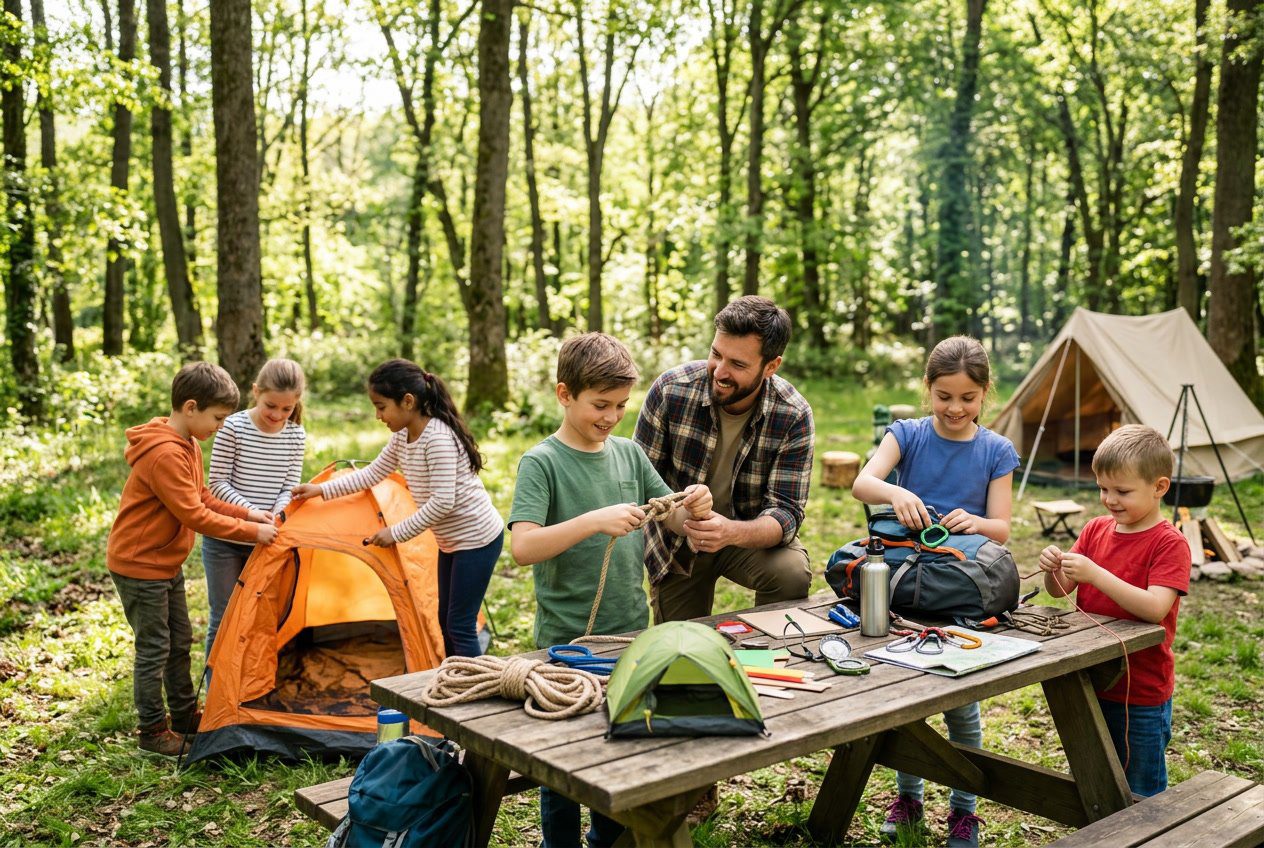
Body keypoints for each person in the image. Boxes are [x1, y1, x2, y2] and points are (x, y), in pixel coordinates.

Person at [508, 332, 711, 848]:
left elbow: (675, 519)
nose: (610, 416)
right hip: (566, 641)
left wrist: (696, 505)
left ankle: (609, 840)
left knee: (619, 751)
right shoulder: (542, 462)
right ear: (564, 394)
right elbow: (524, 548)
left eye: (621, 405)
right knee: (561, 762)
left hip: (628, 632)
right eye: (600, 405)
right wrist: (592, 521)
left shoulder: (629, 453)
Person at [851, 335, 1020, 848]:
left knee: (960, 702)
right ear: (928, 389)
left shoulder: (996, 450)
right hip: (907, 586)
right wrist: (898, 491)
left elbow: (1003, 529)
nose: (955, 408)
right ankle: (909, 797)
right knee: (907, 698)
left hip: (962, 590)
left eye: (967, 398)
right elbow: (863, 484)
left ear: (985, 394)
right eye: (944, 396)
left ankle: (964, 809)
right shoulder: (907, 434)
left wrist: (978, 521)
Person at [107, 362, 277, 756]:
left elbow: (201, 496)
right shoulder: (164, 453)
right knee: (155, 648)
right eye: (216, 417)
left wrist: (249, 513)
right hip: (139, 565)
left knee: (180, 639)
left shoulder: (187, 445)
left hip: (164, 562)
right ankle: (152, 732)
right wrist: (253, 533)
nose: (219, 426)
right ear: (189, 407)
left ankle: (184, 717)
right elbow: (195, 516)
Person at [291, 359, 503, 659]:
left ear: (408, 402)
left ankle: (478, 694)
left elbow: (443, 502)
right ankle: (458, 680)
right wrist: (321, 490)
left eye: (381, 406)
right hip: (451, 542)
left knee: (460, 625)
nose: (378, 415)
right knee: (445, 620)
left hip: (478, 540)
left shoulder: (438, 438)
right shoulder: (402, 437)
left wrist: (396, 533)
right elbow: (372, 473)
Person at [634, 295, 814, 624]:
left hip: (744, 533)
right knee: (679, 649)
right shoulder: (670, 391)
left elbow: (786, 512)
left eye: (738, 364)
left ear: (771, 366)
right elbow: (638, 481)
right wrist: (684, 520)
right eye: (716, 354)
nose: (721, 370)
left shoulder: (793, 413)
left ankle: (770, 649)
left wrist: (729, 532)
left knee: (791, 573)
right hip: (678, 540)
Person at [1039, 424, 1190, 798]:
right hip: (1090, 678)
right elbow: (1059, 591)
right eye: (1103, 489)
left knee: (1141, 788)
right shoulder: (1095, 530)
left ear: (1159, 488)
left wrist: (1096, 574)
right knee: (1098, 776)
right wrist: (1053, 568)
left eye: (1122, 491)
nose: (1110, 499)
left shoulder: (1170, 544)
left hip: (1139, 689)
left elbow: (1156, 609)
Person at [203, 358, 307, 658]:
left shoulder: (295, 436)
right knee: (223, 616)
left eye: (286, 409)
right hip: (224, 539)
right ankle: (215, 694)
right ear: (256, 391)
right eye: (270, 406)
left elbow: (289, 485)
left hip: (265, 540)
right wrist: (250, 512)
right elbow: (218, 483)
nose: (277, 415)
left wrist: (275, 515)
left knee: (261, 616)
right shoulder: (233, 427)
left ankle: (251, 684)